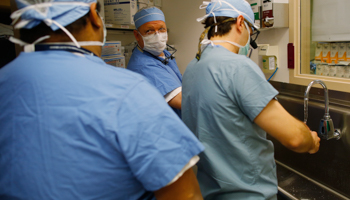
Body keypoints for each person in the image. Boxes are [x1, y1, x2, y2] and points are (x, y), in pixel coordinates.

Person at [0, 0, 205, 199]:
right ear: (94, 16)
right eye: (150, 30)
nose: (158, 35)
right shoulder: (128, 89)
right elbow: (185, 193)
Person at [181, 0, 320, 199]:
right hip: (247, 192)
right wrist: (311, 141)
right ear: (240, 22)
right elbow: (295, 138)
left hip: (209, 190)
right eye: (250, 30)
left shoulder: (192, 67)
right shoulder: (238, 66)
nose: (249, 38)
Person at [127, 7, 182, 118]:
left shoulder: (164, 54)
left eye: (161, 29)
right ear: (137, 35)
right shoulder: (143, 66)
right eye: (149, 31)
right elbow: (182, 101)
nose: (158, 35)